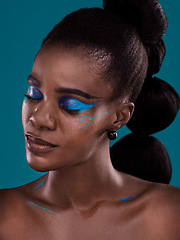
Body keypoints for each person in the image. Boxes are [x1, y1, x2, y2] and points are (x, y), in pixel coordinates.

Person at [0, 0, 180, 239]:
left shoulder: (171, 216)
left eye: (71, 104)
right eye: (34, 94)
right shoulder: (5, 215)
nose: (39, 118)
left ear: (120, 117)